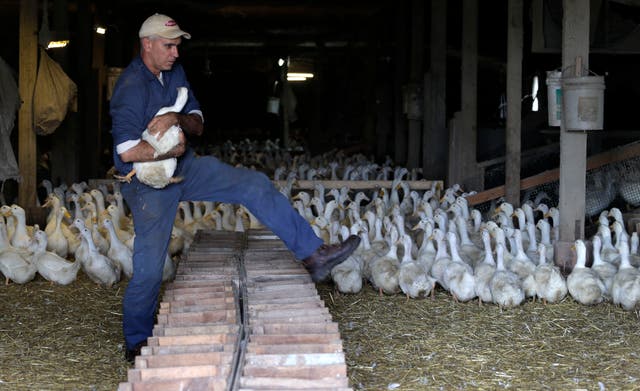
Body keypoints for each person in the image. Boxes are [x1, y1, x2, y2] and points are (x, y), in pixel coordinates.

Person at [109, 13, 361, 363]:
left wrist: (174, 119)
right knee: (151, 266)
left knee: (253, 183)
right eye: (168, 46)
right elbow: (127, 152)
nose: (175, 53)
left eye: (177, 46)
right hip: (148, 182)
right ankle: (136, 339)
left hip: (185, 166)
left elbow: (197, 123)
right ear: (146, 45)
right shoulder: (130, 88)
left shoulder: (173, 73)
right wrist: (170, 148)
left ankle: (313, 254)